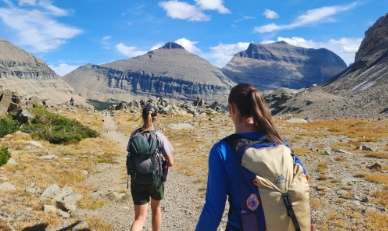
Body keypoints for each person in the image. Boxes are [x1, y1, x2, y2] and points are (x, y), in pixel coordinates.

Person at [195, 83, 309, 231]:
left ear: (232, 108)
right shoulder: (281, 143)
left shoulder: (222, 150)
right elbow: (303, 179)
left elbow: (213, 211)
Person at [127, 104, 174, 231]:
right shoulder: (159, 136)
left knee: (139, 218)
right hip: (155, 180)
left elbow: (130, 155)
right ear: (155, 118)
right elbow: (171, 162)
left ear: (142, 117)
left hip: (137, 179)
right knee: (156, 210)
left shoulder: (134, 135)